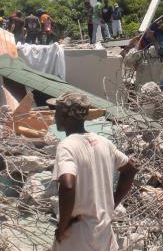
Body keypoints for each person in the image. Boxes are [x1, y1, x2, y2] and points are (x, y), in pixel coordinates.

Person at [52, 92, 138, 251]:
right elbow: (130, 170)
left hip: (77, 237)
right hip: (103, 234)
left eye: (56, 111)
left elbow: (68, 185)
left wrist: (62, 226)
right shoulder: (104, 143)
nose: (54, 116)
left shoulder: (67, 146)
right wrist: (110, 205)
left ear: (66, 117)